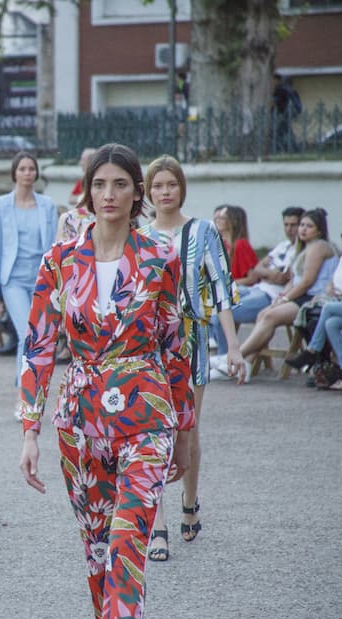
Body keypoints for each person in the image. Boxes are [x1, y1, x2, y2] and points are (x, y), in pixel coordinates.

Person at [18, 143, 195, 619]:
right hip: (80, 420)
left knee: (126, 538)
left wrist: (184, 430)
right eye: (100, 184)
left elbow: (175, 346)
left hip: (146, 413)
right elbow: (39, 345)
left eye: (120, 184)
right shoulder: (60, 260)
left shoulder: (160, 257)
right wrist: (30, 430)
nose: (109, 194)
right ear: (87, 192)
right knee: (97, 546)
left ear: (138, 192)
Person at [139, 155, 245, 562]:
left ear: (182, 188)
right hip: (148, 345)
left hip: (192, 339)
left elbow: (220, 290)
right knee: (155, 434)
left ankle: (190, 501)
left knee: (188, 431)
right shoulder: (141, 237)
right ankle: (158, 525)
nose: (165, 192)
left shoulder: (202, 231)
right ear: (148, 192)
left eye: (171, 184)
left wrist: (233, 347)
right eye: (158, 186)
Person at [0, 150, 59, 400]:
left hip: (40, 279)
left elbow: (52, 246)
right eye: (22, 169)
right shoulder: (1, 205)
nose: (27, 173)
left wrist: (56, 282)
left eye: (31, 169)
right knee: (26, 334)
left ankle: (31, 389)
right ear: (14, 173)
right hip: (13, 280)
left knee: (38, 337)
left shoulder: (47, 205)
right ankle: (24, 396)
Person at [237, 208, 339, 371]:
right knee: (263, 313)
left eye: (309, 226)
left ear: (319, 231)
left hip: (314, 299)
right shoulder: (303, 248)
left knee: (270, 316)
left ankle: (235, 357)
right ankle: (247, 364)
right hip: (302, 297)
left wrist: (284, 299)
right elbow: (293, 280)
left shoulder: (319, 247)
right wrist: (282, 296)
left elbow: (306, 282)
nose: (302, 229)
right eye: (302, 225)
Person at [209, 206, 303, 357]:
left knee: (221, 309)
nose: (289, 229)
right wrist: (270, 273)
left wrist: (268, 274)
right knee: (213, 297)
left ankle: (225, 358)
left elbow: (282, 277)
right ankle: (220, 351)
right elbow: (259, 268)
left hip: (271, 295)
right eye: (286, 224)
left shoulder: (301, 252)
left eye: (294, 225)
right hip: (259, 288)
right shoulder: (282, 246)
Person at [283, 218, 342, 383]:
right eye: (341, 235)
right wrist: (331, 290)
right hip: (340, 302)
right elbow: (331, 284)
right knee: (330, 323)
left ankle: (312, 351)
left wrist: (340, 295)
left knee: (327, 308)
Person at [213, 205, 258, 281]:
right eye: (217, 218)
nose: (217, 220)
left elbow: (252, 279)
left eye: (222, 218)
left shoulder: (241, 244)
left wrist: (228, 284)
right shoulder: (223, 244)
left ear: (232, 221)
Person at [272, 73, 301, 153]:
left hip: (283, 113)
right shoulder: (292, 90)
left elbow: (275, 101)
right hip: (290, 113)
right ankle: (294, 149)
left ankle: (283, 148)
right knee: (287, 131)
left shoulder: (280, 89)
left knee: (280, 132)